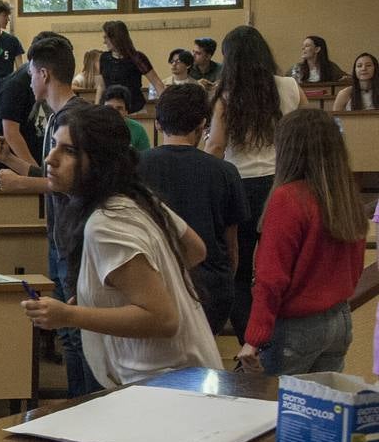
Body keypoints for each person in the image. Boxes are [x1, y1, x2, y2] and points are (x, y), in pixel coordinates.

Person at [21, 106, 220, 389]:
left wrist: (68, 315)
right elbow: (196, 249)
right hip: (182, 377)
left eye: (69, 151)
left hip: (164, 385)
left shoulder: (106, 223)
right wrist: (110, 297)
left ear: (99, 161)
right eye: (54, 145)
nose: (50, 159)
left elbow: (163, 319)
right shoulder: (134, 197)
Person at [0, 33, 102, 396]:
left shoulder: (68, 120)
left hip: (73, 238)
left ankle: (84, 409)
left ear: (43, 74)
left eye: (32, 75)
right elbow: (54, 176)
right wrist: (11, 161)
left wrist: (18, 185)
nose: (30, 81)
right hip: (65, 235)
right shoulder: (69, 116)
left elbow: (69, 184)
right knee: (73, 331)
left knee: (75, 334)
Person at [237, 109, 366, 375]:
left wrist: (253, 338)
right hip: (339, 319)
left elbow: (271, 278)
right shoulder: (345, 196)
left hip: (295, 326)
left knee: (278, 409)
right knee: (321, 410)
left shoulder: (288, 198)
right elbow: (355, 266)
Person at [205, 24, 309, 342]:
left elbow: (216, 147)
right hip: (282, 185)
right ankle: (279, 335)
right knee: (278, 263)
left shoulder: (226, 95)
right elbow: (308, 130)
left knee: (238, 269)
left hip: (240, 185)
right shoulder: (289, 86)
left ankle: (249, 341)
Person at [138, 83, 247, 336]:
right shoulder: (226, 172)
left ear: (157, 124)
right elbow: (232, 246)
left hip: (154, 281)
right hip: (211, 287)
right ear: (202, 125)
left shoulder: (134, 167)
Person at [0, 31, 61, 187]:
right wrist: (36, 173)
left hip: (31, 169)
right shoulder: (16, 85)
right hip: (9, 173)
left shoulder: (47, 84)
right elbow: (11, 133)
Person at [93, 20, 162, 115]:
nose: (104, 42)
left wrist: (166, 104)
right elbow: (101, 86)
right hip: (110, 111)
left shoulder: (138, 58)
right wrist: (96, 108)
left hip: (135, 110)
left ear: (115, 38)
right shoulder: (104, 58)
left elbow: (156, 82)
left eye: (106, 37)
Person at [99, 85, 152, 152]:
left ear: (126, 111)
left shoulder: (138, 129)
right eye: (109, 107)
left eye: (119, 108)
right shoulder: (94, 128)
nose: (114, 112)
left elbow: (145, 158)